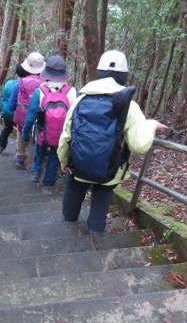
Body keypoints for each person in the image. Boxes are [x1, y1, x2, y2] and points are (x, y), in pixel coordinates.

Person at [57, 50, 168, 234]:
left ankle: (68, 225)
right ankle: (96, 233)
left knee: (74, 189)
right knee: (102, 195)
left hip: (79, 164)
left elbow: (66, 135)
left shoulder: (80, 101)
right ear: (123, 76)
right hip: (109, 169)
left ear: (99, 73)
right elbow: (139, 145)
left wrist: (63, 158)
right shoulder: (129, 107)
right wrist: (150, 125)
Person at [21, 55, 77, 186]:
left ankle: (35, 172)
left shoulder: (39, 91)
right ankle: (50, 179)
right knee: (55, 156)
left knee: (39, 150)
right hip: (62, 135)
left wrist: (25, 133)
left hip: (41, 132)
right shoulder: (73, 92)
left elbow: (31, 116)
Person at [9, 52, 45, 169]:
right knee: (35, 136)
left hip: (22, 114)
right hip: (38, 116)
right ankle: (31, 161)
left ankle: (20, 157)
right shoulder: (45, 82)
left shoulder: (22, 82)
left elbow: (15, 99)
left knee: (21, 133)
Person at [0, 63, 28, 154]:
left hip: (6, 111)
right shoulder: (25, 85)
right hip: (18, 113)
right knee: (22, 130)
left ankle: (1, 147)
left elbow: (2, 97)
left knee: (7, 128)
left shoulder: (9, 83)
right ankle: (20, 152)